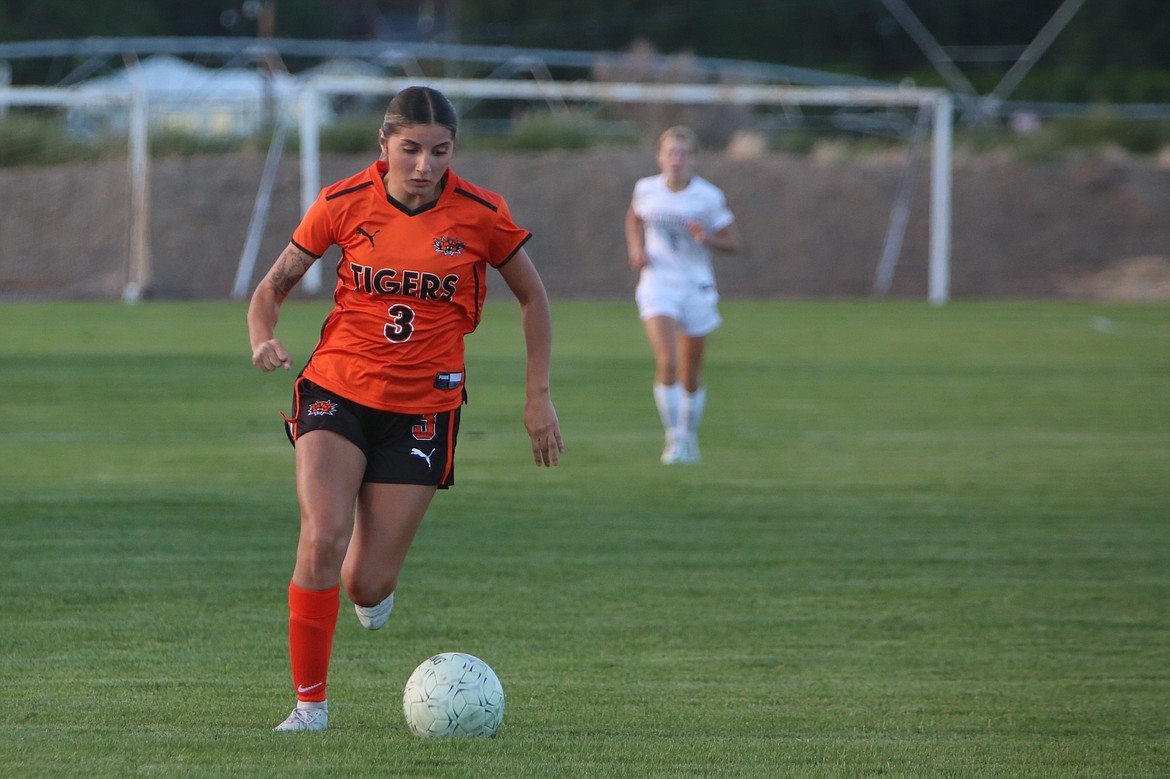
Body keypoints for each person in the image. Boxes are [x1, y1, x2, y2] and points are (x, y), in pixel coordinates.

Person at [247, 86, 564, 733]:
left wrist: (537, 395)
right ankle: (309, 708)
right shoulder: (341, 202)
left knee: (363, 581)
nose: (424, 164)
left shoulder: (480, 214)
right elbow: (271, 287)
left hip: (424, 408)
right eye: (411, 149)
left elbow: (534, 298)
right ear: (384, 145)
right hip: (335, 389)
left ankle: (372, 588)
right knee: (322, 537)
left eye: (439, 151)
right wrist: (263, 336)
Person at [624, 126, 741, 464]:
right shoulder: (646, 189)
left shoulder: (708, 197)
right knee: (668, 360)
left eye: (684, 153)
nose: (677, 159)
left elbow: (733, 242)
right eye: (670, 152)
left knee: (690, 375)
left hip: (696, 286)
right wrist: (636, 249)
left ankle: (689, 435)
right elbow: (633, 216)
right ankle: (673, 437)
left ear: (695, 159)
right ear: (660, 157)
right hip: (657, 283)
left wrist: (707, 239)